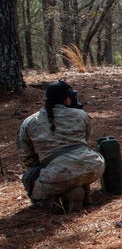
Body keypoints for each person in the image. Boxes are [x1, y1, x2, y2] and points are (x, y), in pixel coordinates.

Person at [16, 81, 105, 213]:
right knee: (76, 164)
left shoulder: (29, 122)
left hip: (56, 175)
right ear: (67, 99)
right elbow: (84, 144)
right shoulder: (81, 115)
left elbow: (27, 158)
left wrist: (43, 171)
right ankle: (84, 193)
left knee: (37, 198)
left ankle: (64, 199)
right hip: (94, 167)